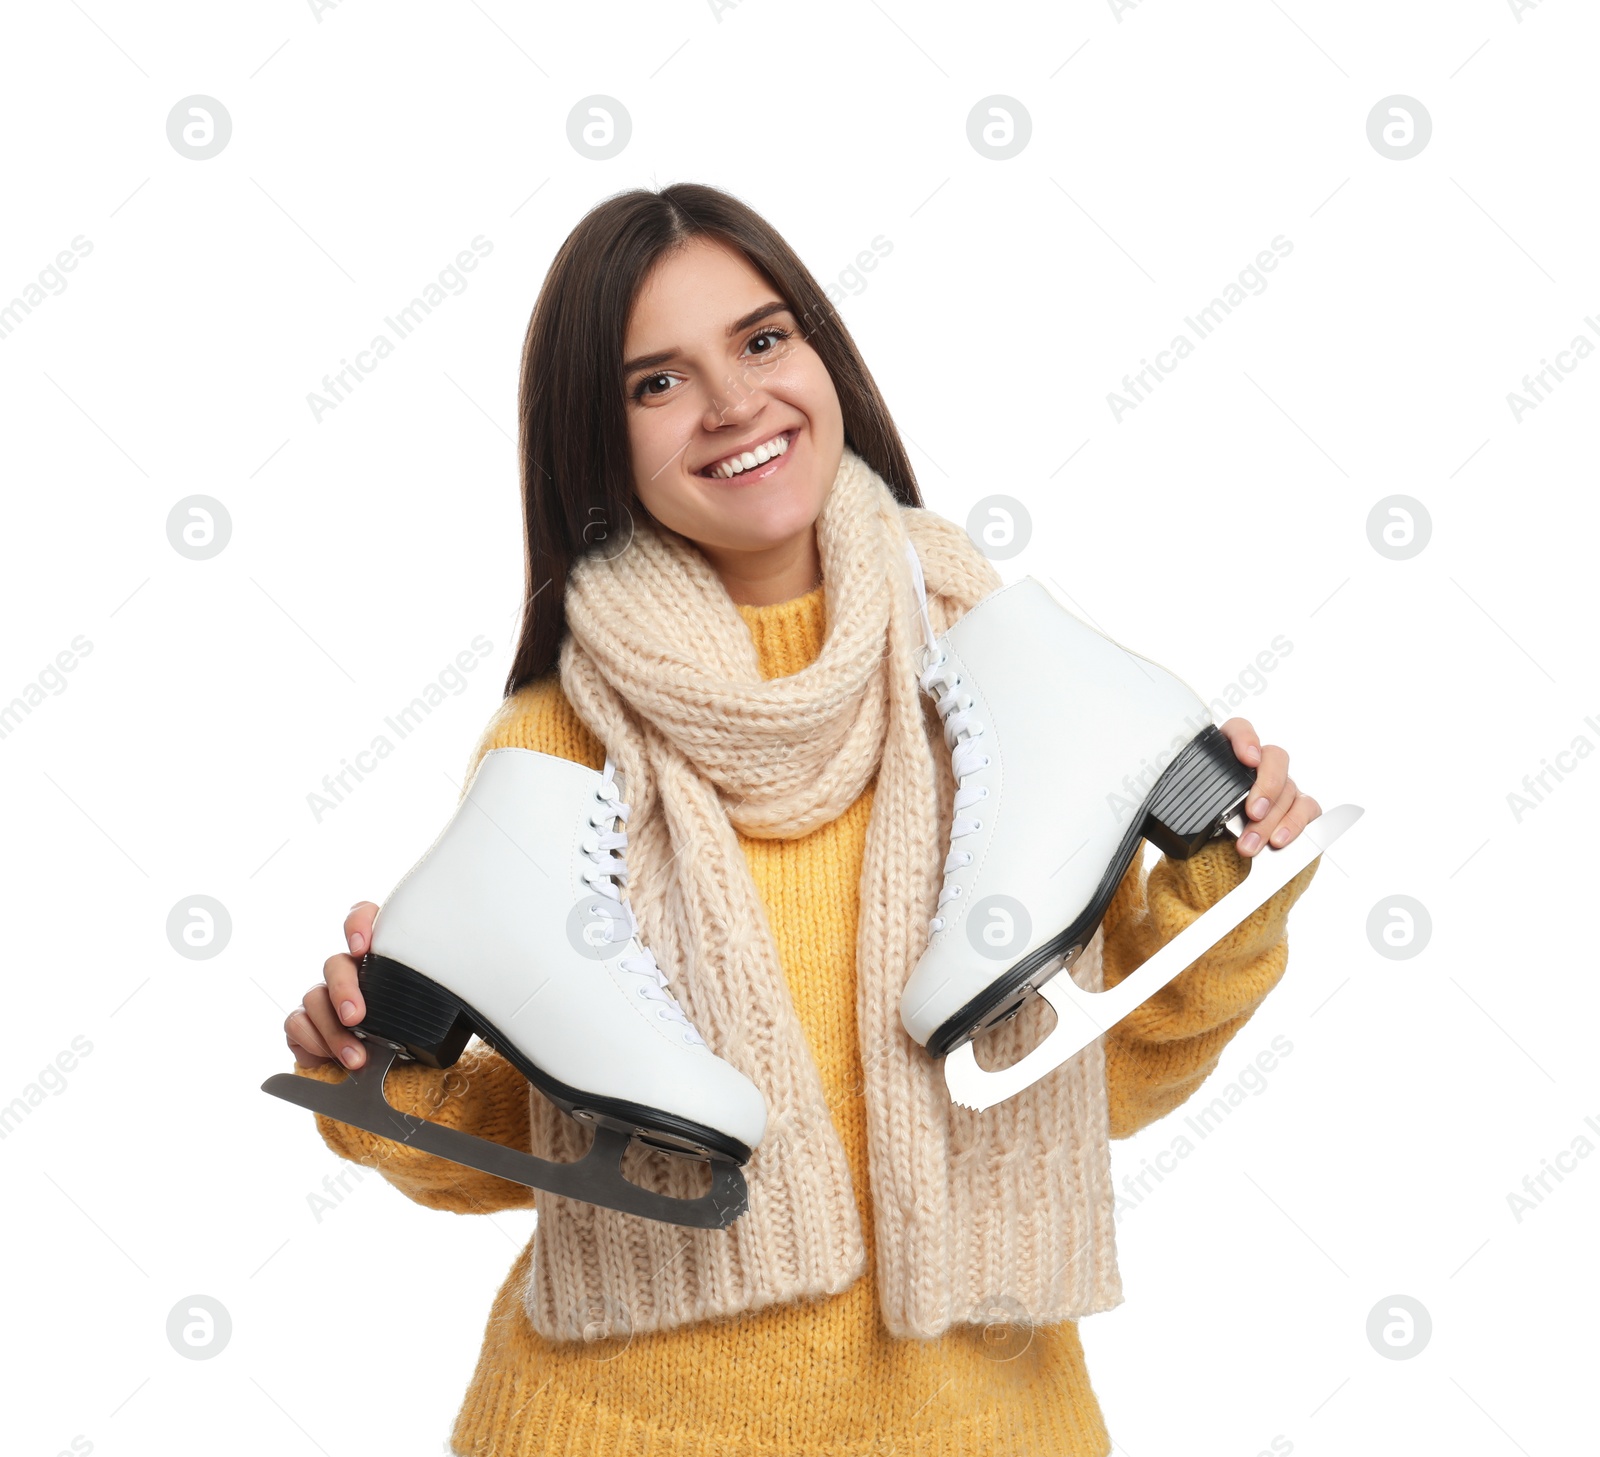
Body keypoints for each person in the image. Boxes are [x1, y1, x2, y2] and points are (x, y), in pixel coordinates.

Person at [281, 181, 1323, 1457]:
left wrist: (1226, 875)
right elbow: (552, 1147)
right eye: (654, 383)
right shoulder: (559, 745)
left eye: (762, 340)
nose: (732, 403)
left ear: (823, 355)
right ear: (593, 442)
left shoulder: (996, 697)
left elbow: (1096, 1078)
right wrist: (386, 1073)